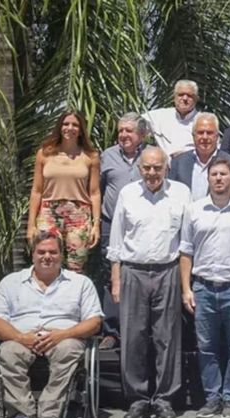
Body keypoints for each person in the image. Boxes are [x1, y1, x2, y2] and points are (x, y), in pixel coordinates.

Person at [108, 146, 191, 418]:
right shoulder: (128, 194)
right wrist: (116, 279)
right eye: (147, 168)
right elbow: (116, 240)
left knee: (167, 338)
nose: (152, 173)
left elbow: (186, 241)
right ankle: (137, 399)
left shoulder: (181, 193)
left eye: (157, 167)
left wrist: (185, 282)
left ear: (167, 167)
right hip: (133, 271)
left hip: (168, 271)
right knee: (133, 338)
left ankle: (165, 399)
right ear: (139, 169)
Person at [0, 230, 103, 418]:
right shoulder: (10, 283)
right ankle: (23, 413)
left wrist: (62, 335)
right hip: (21, 337)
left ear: (61, 255)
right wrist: (21, 338)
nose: (47, 256)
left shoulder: (80, 283)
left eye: (53, 252)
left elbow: (94, 322)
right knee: (8, 352)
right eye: (41, 252)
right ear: (32, 254)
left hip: (65, 337)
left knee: (68, 349)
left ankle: (50, 413)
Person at [179, 157, 230, 418]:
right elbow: (186, 252)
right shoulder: (194, 210)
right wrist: (186, 289)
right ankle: (212, 398)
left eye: (223, 174)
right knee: (206, 348)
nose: (219, 178)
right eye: (214, 174)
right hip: (203, 288)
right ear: (208, 178)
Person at [27, 111, 101, 273]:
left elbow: (95, 193)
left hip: (79, 216)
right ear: (59, 127)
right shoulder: (44, 153)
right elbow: (36, 191)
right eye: (66, 124)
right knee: (47, 262)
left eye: (75, 125)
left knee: (76, 267)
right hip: (48, 214)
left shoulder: (91, 156)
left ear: (81, 130)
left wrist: (96, 224)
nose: (70, 128)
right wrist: (31, 225)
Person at [98, 113, 148, 350]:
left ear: (142, 135)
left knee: (141, 275)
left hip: (143, 226)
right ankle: (112, 331)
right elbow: (97, 189)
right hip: (110, 223)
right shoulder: (107, 156)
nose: (124, 135)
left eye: (129, 130)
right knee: (112, 275)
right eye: (121, 130)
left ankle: (141, 329)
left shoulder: (151, 155)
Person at [168, 112, 230, 200]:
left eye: (209, 133)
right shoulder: (178, 162)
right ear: (193, 136)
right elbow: (171, 193)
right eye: (200, 133)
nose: (205, 137)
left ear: (217, 136)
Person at [144, 80, 200, 158]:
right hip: (163, 164)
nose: (185, 98)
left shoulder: (204, 121)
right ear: (174, 97)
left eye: (189, 95)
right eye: (180, 95)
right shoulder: (159, 116)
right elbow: (134, 124)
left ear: (196, 98)